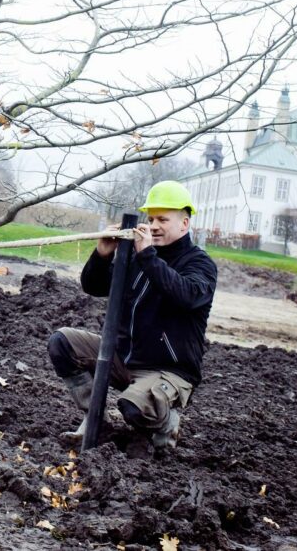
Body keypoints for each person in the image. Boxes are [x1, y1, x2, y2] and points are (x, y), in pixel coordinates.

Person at [47, 180, 217, 451]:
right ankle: (96, 419)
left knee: (133, 408)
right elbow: (96, 287)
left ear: (184, 224)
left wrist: (148, 255)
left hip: (168, 369)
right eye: (151, 218)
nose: (154, 225)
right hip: (124, 356)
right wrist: (102, 254)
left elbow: (186, 295)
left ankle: (166, 423)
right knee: (62, 343)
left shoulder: (199, 263)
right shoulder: (138, 256)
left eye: (163, 219)